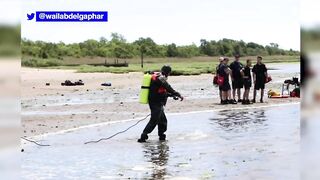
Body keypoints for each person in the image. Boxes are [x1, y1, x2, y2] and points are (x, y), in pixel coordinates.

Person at [138, 65, 184, 143]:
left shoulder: (158, 77)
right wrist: (178, 94)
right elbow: (168, 87)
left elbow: (162, 91)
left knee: (162, 120)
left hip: (156, 101)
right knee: (154, 120)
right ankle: (143, 136)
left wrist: (172, 95)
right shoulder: (160, 78)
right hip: (155, 102)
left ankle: (162, 137)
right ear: (168, 73)